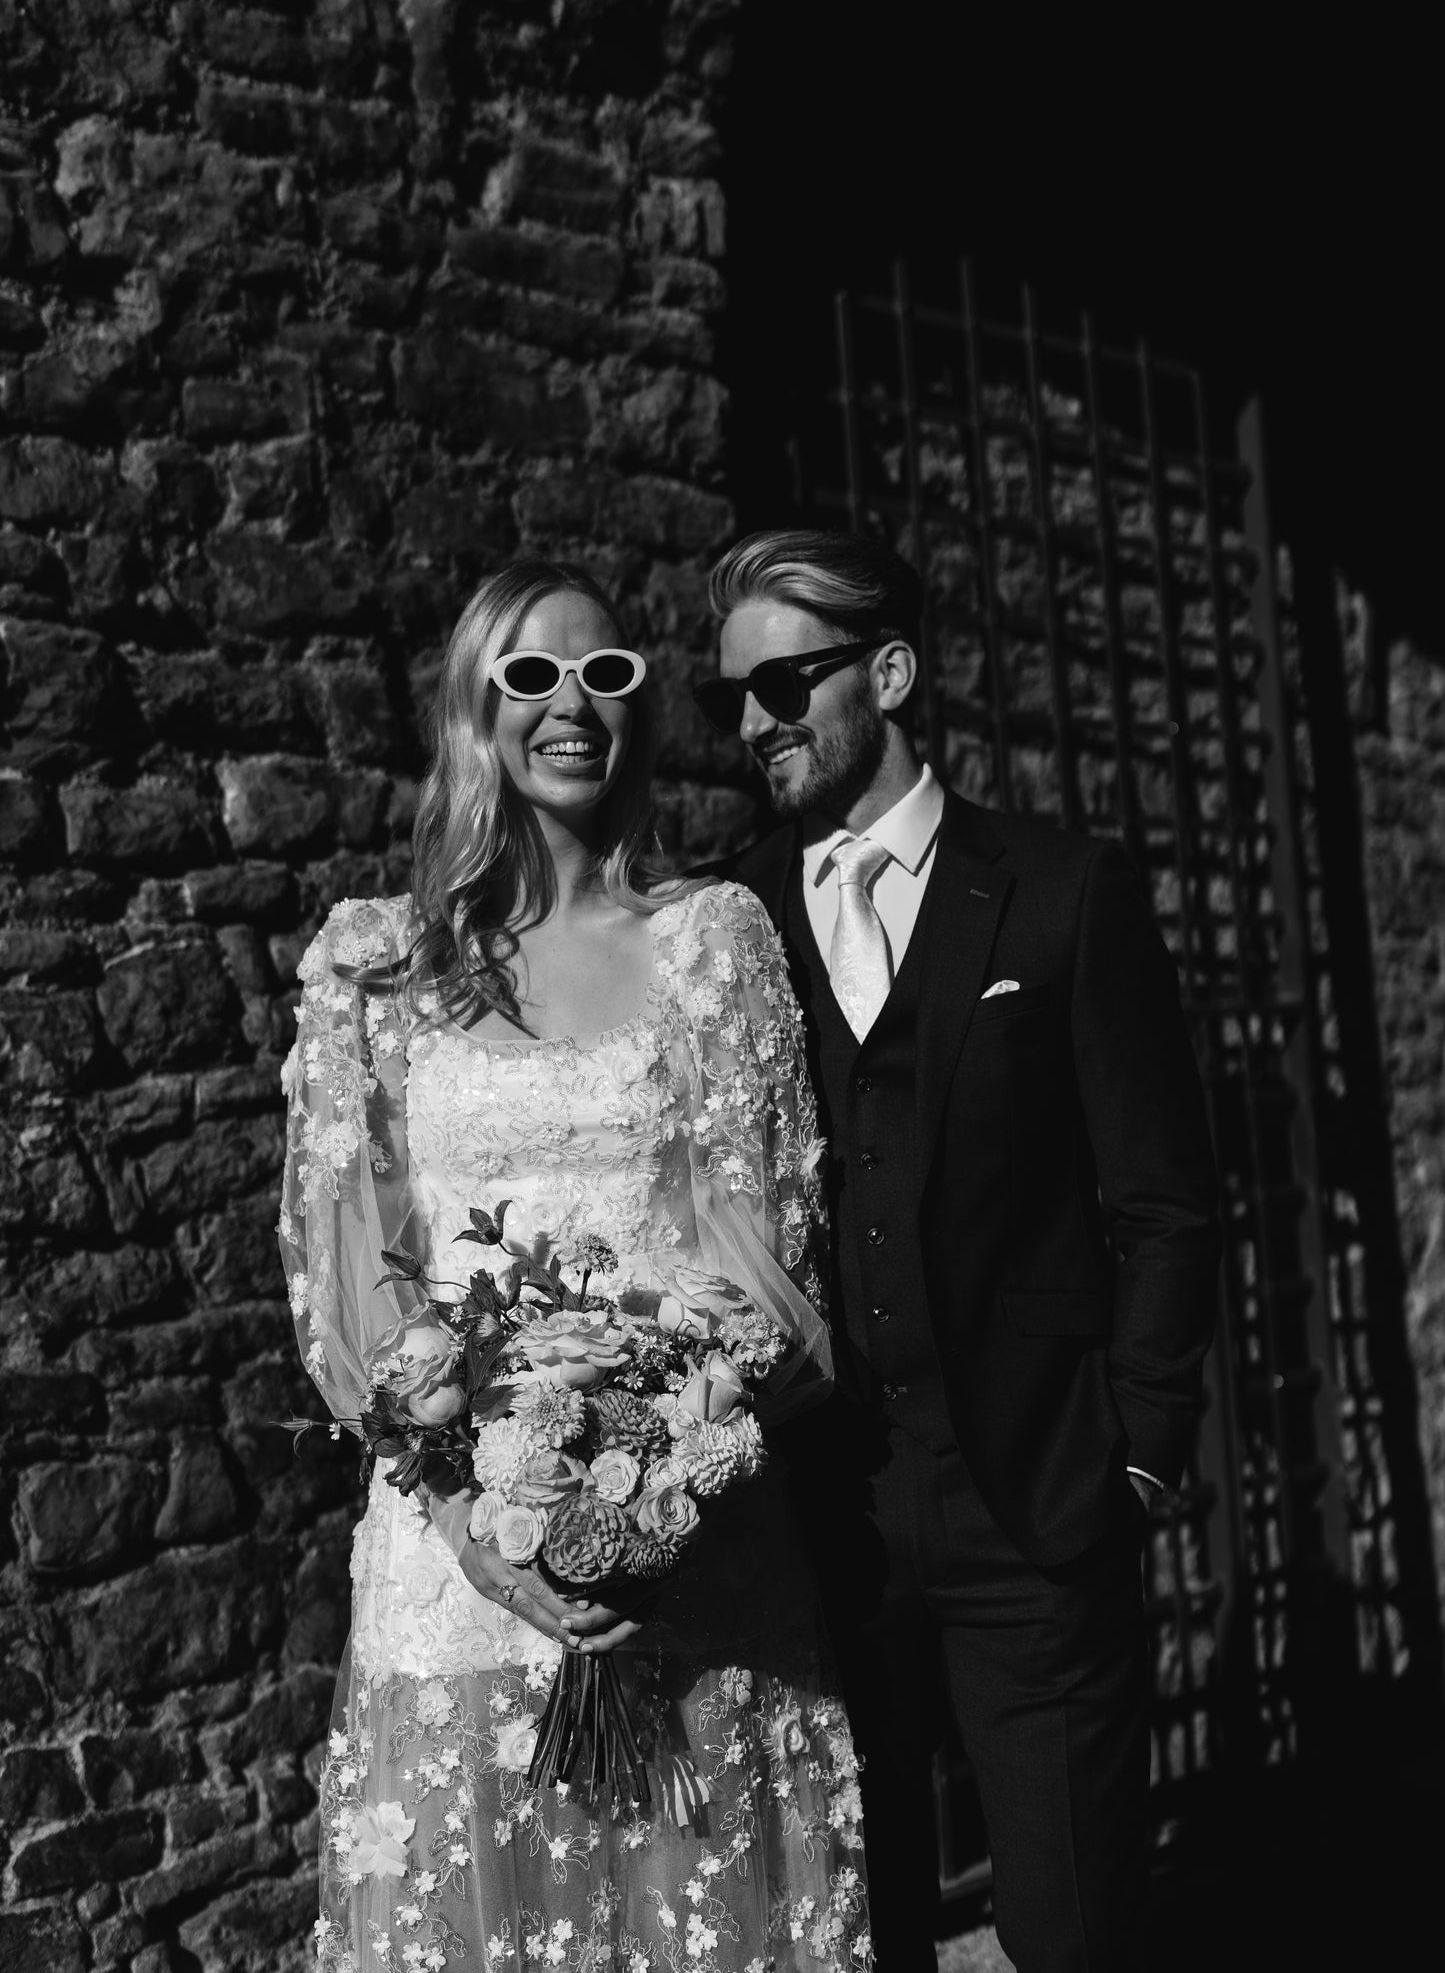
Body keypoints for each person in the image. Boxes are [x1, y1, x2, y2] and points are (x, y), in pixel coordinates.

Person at [279, 558, 872, 1973]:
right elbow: (347, 1282)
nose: (569, 705)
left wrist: (663, 1486)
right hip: (452, 1560)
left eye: (604, 675)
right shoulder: (381, 970)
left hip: (694, 1554)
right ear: (473, 713)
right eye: (528, 675)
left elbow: (773, 1265)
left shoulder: (711, 947)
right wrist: (486, 1530)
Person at [697, 529, 1222, 1973]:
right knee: (856, 1936)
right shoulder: (726, 919)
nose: (754, 725)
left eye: (785, 683)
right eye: (731, 698)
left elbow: (1164, 1202)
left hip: (1035, 1500)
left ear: (889, 671)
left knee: (1072, 1927)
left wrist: (1139, 1445)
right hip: (819, 1528)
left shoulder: (1060, 893)